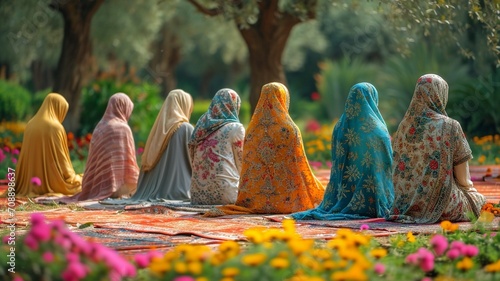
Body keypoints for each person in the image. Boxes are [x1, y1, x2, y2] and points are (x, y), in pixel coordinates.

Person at [204, 82, 324, 216]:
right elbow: (300, 167)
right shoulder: (289, 130)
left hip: (255, 201)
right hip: (288, 202)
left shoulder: (252, 130)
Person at [387, 74, 486, 223]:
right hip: (445, 208)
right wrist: (471, 194)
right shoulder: (451, 126)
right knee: (479, 201)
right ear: (440, 95)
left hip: (402, 206)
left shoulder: (404, 126)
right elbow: (463, 179)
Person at [292, 83, 394, 220]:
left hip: (343, 192)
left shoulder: (340, 126)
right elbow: (386, 164)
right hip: (373, 197)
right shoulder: (377, 129)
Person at [106, 89, 194, 204]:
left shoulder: (157, 131)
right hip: (180, 191)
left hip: (146, 193)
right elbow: (195, 162)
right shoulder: (186, 129)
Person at [59, 93, 139, 203]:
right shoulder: (123, 128)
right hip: (119, 187)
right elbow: (130, 161)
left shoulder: (100, 126)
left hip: (95, 184)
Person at [8, 93, 82, 197]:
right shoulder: (56, 127)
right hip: (54, 183)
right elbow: (62, 161)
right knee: (84, 185)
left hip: (28, 183)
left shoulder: (30, 124)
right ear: (57, 108)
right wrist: (73, 178)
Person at [189, 88, 245, 205]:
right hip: (226, 195)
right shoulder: (235, 128)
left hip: (197, 195)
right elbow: (242, 164)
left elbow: (191, 155)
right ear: (235, 105)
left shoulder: (201, 126)